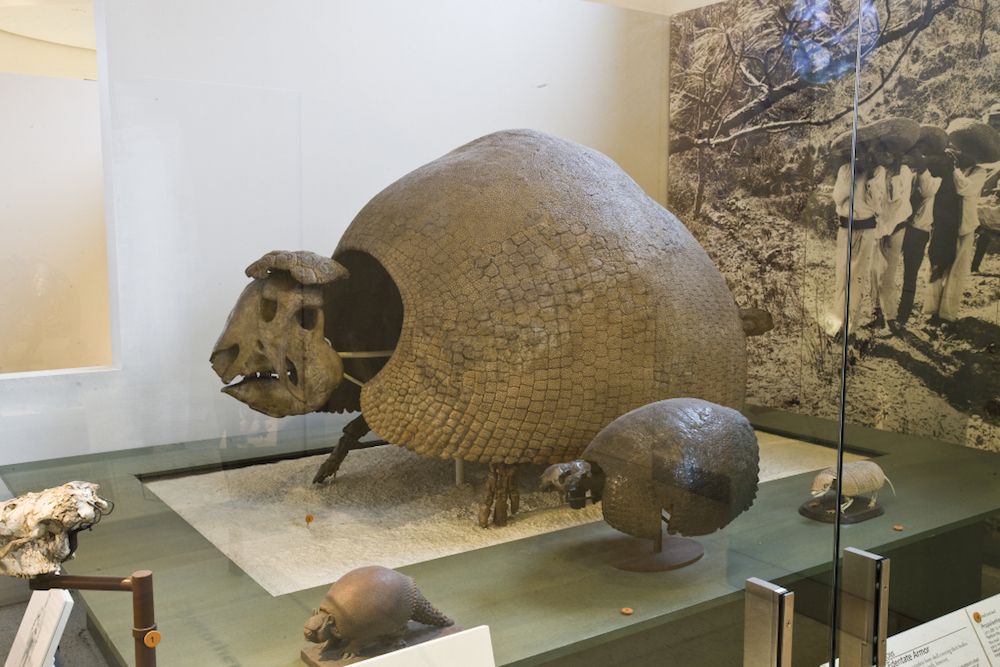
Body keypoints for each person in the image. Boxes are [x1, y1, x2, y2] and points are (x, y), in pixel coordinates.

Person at [926, 152, 998, 322]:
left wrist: (952, 170)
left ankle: (947, 314)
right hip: (944, 225)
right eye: (961, 152)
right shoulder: (952, 169)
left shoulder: (978, 172)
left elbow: (965, 188)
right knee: (936, 264)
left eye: (968, 152)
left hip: (965, 226)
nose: (963, 156)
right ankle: (932, 310)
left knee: (956, 270)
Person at [826, 148, 885, 337]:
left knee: (857, 277)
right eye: (859, 152)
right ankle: (837, 324)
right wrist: (853, 174)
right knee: (841, 275)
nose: (864, 156)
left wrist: (869, 179)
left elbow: (877, 205)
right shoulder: (845, 169)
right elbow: (838, 198)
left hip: (866, 229)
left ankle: (850, 326)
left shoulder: (878, 172)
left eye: (869, 152)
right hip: (845, 229)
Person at [869, 151, 912, 331]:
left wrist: (887, 229)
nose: (885, 156)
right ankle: (876, 312)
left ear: (896, 154)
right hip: (878, 227)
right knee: (873, 270)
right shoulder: (878, 172)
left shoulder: (903, 171)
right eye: (882, 152)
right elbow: (874, 199)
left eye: (889, 153)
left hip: (896, 226)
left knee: (889, 272)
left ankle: (891, 316)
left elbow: (897, 201)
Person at [897, 149, 940, 325]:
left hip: (918, 230)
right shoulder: (911, 174)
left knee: (910, 274)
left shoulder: (935, 178)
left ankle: (903, 314)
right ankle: (888, 312)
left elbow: (928, 191)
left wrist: (922, 168)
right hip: (902, 226)